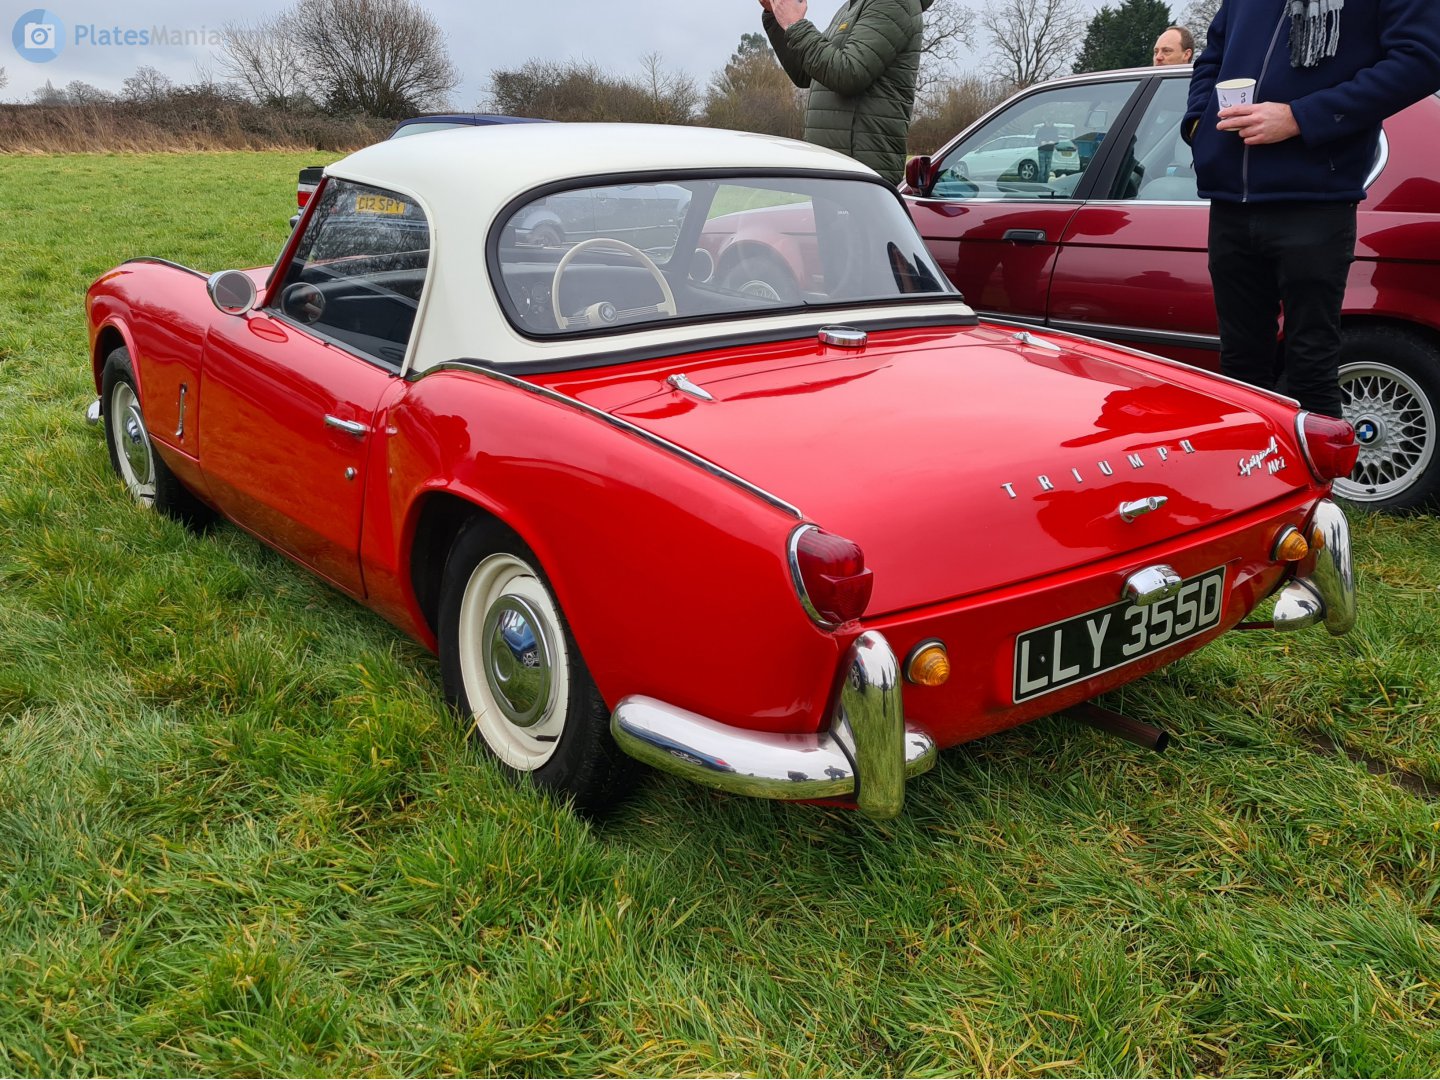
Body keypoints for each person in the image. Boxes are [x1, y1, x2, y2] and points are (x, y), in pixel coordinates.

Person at [1183, 0, 1440, 418]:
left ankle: (1317, 484)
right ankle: (1253, 480)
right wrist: (1198, 123)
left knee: (1311, 370)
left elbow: (1422, 59)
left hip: (1316, 201)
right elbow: (1212, 56)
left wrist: (1301, 117)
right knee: (1239, 371)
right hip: (1229, 199)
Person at [760, 0, 933, 184]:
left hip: (859, 174)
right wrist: (776, 15)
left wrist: (795, 25)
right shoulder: (852, 7)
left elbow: (849, 73)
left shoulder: (892, 3)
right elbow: (806, 73)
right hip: (834, 170)